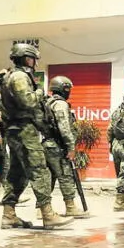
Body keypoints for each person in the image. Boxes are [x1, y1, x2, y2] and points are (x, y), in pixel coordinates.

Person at [0, 43, 73, 229]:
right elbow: (28, 101)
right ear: (25, 58)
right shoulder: (19, 77)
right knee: (39, 170)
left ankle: (9, 214)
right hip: (25, 131)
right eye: (32, 59)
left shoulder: (9, 76)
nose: (34, 63)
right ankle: (48, 214)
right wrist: (40, 92)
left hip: (15, 131)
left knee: (17, 174)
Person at [38, 76, 89, 219]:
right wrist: (71, 147)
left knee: (47, 178)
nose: (68, 92)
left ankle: (42, 209)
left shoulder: (48, 103)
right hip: (58, 146)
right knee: (66, 175)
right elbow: (64, 127)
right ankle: (70, 207)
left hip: (47, 144)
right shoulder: (60, 104)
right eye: (67, 89)